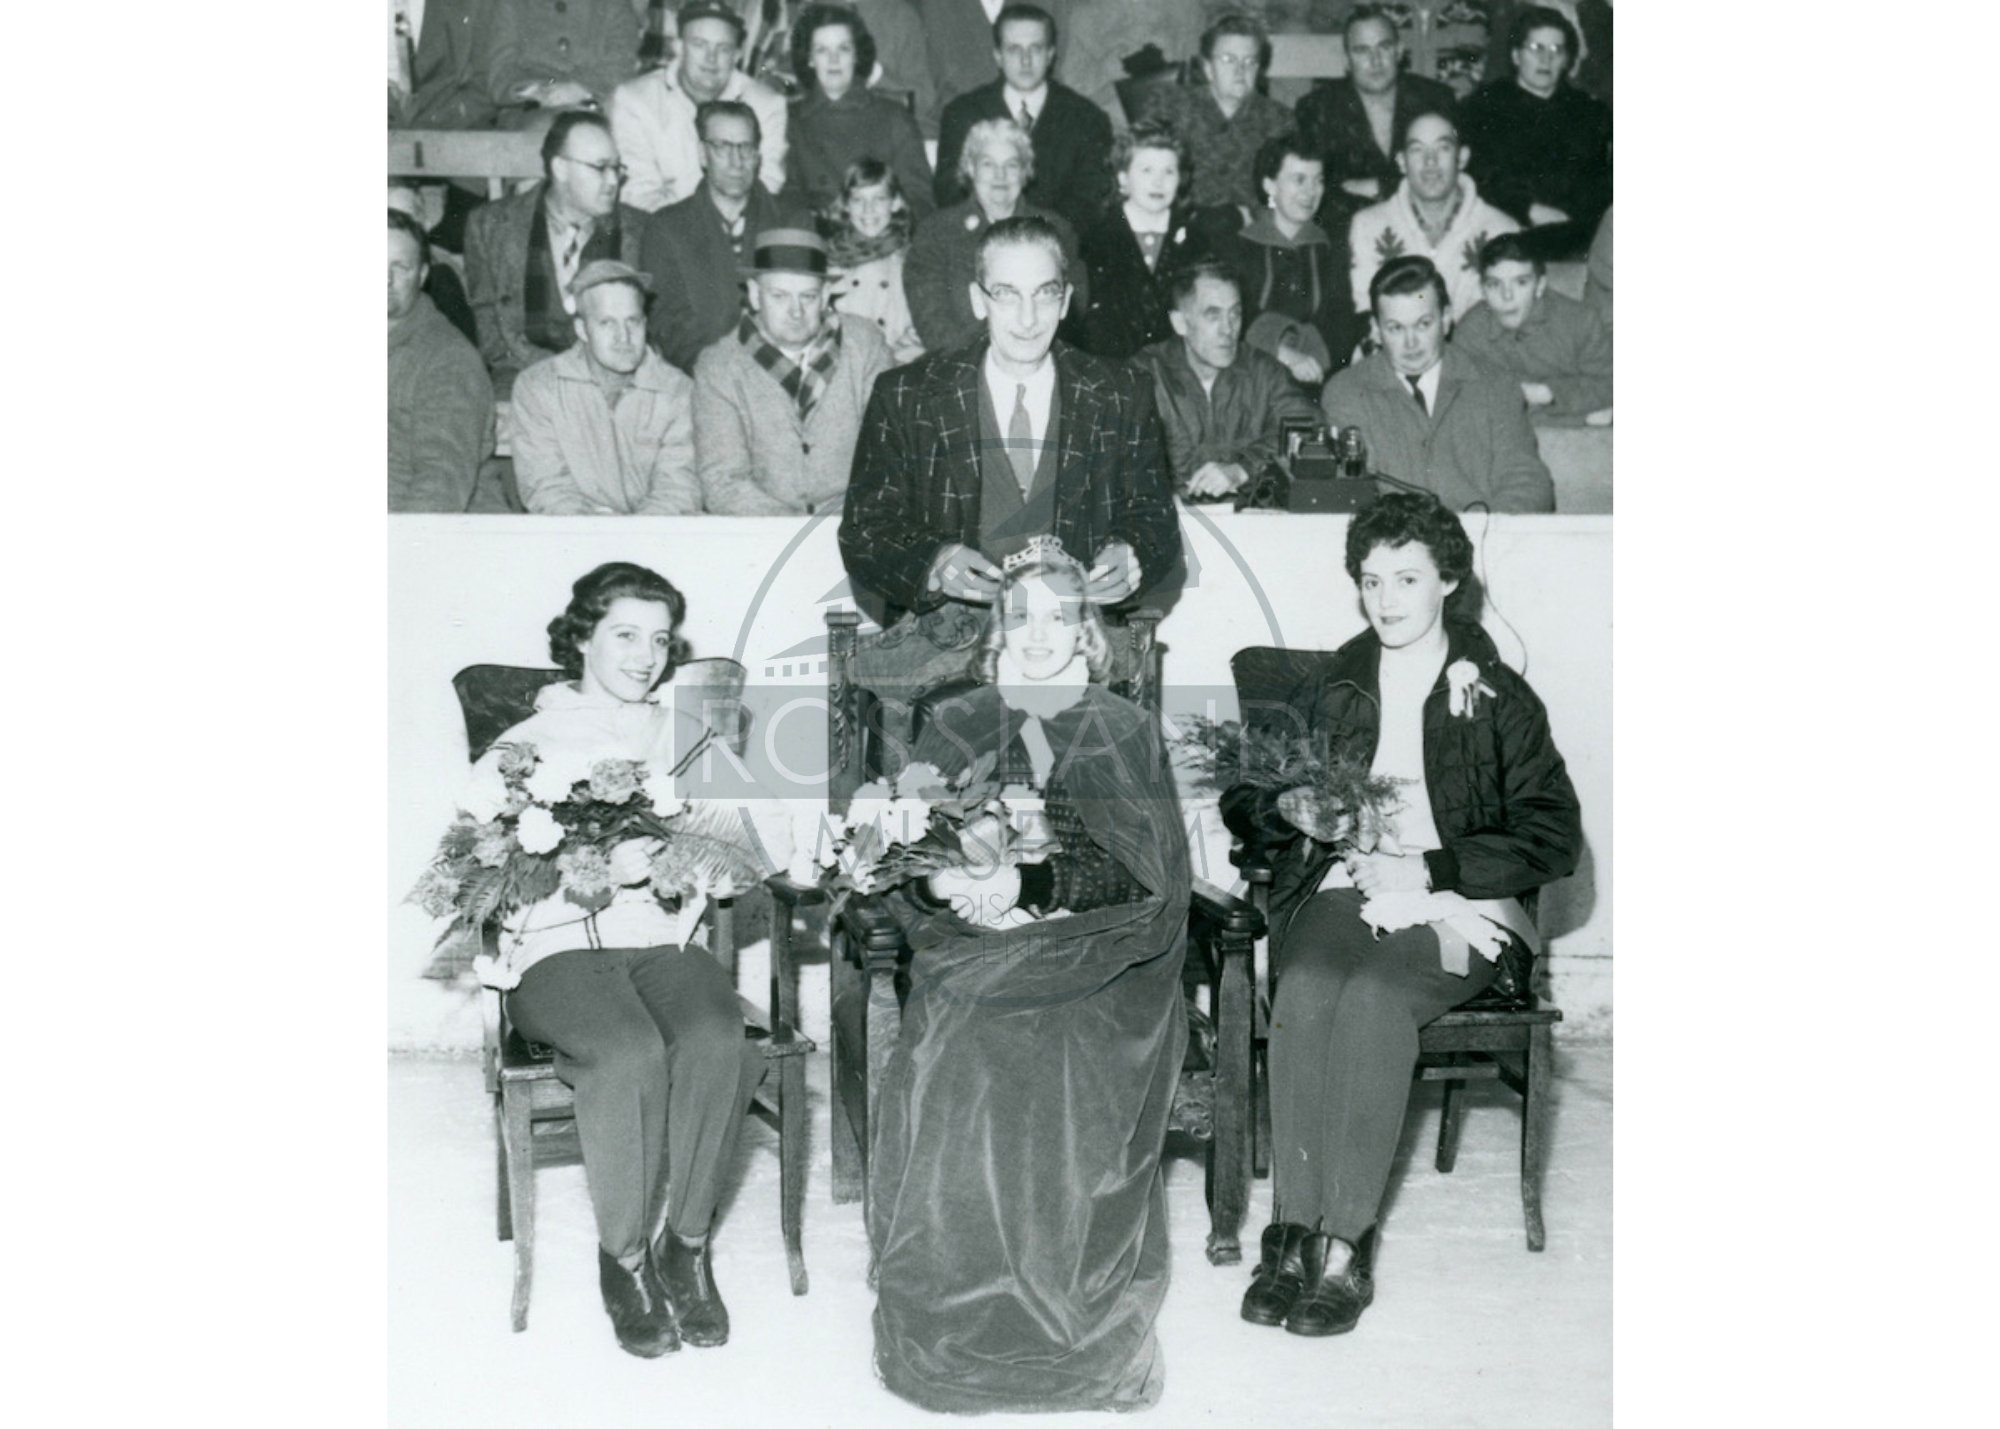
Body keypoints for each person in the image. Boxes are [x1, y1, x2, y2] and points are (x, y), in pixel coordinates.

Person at [1221, 493, 1580, 1338]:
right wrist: (1293, 810)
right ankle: (1291, 1236)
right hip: (1342, 887)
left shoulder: (1497, 695)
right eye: (1372, 579)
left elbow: (1553, 835)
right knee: (1306, 986)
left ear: (1448, 581)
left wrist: (1432, 863)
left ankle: (1345, 1245)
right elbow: (1247, 795)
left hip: (1462, 904)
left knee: (1377, 1002)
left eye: (1407, 578)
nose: (1386, 599)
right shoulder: (1336, 680)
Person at [870, 539, 1188, 1412]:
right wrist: (951, 882)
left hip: (1103, 952)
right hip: (974, 950)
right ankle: (962, 1299)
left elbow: (1148, 877)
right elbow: (910, 850)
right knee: (958, 1043)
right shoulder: (960, 719)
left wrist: (1033, 885)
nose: (1040, 632)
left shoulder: (1120, 726)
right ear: (994, 630)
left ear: (1087, 630)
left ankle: (1059, 1307)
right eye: (1020, 615)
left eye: (1061, 615)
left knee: (1059, 1054)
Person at [460, 561, 784, 1357]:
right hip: (554, 950)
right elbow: (478, 872)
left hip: (662, 942)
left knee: (718, 1038)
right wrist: (599, 867)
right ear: (582, 638)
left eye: (660, 639)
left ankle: (688, 1244)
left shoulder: (684, 735)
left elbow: (746, 854)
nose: (646, 655)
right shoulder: (525, 744)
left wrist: (706, 853)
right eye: (625, 635)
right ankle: (625, 1258)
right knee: (629, 1051)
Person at [843, 215, 1178, 619]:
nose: (1027, 317)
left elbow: (1154, 518)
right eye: (1006, 293)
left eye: (1045, 293)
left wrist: (1132, 551)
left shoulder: (1122, 393)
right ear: (977, 299)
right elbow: (865, 531)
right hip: (942, 652)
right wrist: (933, 561)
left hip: (1080, 646)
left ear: (1067, 300)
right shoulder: (906, 395)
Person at [1321, 256, 1553, 512]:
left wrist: (1488, 533)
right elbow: (1350, 492)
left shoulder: (1496, 384)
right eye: (1395, 328)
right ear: (1375, 330)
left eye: (1423, 324)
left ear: (1446, 318)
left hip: (1483, 539)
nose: (1411, 343)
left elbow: (1526, 481)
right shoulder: (1346, 391)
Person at [691, 228, 894, 513]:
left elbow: (889, 456)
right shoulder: (719, 367)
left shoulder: (865, 345)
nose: (795, 311)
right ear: (753, 293)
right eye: (779, 296)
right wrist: (793, 534)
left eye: (808, 297)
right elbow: (724, 480)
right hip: (764, 534)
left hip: (855, 524)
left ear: (825, 295)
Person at [464, 110, 647, 397]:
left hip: (615, 382)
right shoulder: (491, 226)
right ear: (560, 168)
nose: (613, 181)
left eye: (617, 168)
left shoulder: (640, 229)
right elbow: (490, 333)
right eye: (600, 168)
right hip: (524, 380)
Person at [509, 260, 701, 513]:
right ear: (582, 329)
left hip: (654, 538)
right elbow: (547, 487)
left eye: (632, 321)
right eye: (607, 323)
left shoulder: (678, 391)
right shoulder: (539, 387)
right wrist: (598, 538)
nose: (623, 337)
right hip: (575, 537)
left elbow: (678, 489)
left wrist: (630, 541)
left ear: (645, 323)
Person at [639, 100, 813, 374]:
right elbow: (668, 327)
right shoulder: (666, 228)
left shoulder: (792, 222)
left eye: (745, 147)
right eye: (722, 147)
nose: (736, 162)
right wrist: (723, 378)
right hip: (701, 379)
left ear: (757, 155)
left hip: (783, 376)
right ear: (702, 154)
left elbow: (805, 314)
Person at [1132, 261, 1319, 500]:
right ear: (1180, 323)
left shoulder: (1262, 371)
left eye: (1235, 314)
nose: (1228, 329)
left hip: (1248, 525)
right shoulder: (1146, 373)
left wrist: (1243, 468)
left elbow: (1309, 428)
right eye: (1213, 316)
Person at [902, 118, 1086, 354]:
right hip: (960, 368)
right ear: (971, 168)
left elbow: (1071, 313)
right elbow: (932, 323)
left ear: (1024, 172)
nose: (1000, 176)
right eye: (988, 164)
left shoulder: (1057, 230)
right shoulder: (936, 232)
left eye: (1011, 165)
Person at [934, 5, 1113, 239]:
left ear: (1051, 55)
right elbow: (950, 192)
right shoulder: (963, 113)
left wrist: (1035, 240)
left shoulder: (1086, 118)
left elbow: (1088, 201)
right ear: (997, 56)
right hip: (979, 244)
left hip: (1057, 248)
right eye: (1014, 49)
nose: (1025, 60)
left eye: (1035, 49)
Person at [1458, 5, 1611, 262]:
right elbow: (1479, 176)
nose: (1546, 60)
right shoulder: (1484, 107)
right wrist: (1527, 209)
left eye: (1555, 51)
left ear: (1566, 60)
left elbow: (1601, 184)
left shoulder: (1590, 113)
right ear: (1516, 56)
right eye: (1536, 49)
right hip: (1506, 232)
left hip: (1577, 241)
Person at [1215, 132, 1364, 387]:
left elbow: (1340, 319)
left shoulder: (1331, 249)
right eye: (1299, 180)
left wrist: (1307, 359)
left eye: (1318, 180)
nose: (1311, 191)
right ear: (1270, 186)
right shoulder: (1237, 247)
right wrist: (1282, 351)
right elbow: (1237, 314)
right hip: (1248, 379)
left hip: (1317, 376)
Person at [610, 2, 789, 213]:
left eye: (723, 48)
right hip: (660, 231)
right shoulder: (634, 101)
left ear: (737, 55)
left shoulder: (767, 105)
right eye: (699, 44)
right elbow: (638, 193)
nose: (711, 58)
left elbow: (767, 186)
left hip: (741, 232)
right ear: (678, 47)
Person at [1347, 107, 1519, 321]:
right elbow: (1364, 310)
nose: (1430, 161)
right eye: (1417, 149)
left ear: (1462, 157)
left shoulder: (1501, 230)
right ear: (1402, 161)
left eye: (1443, 148)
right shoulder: (1368, 226)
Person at [1291, 5, 1458, 225]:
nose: (1375, 60)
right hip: (1345, 228)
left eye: (1384, 47)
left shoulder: (1435, 100)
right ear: (1346, 59)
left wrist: (1380, 186)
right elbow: (1316, 190)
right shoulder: (1317, 108)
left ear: (1399, 51)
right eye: (1362, 50)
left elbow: (1452, 175)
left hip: (1426, 224)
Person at [1071, 118, 1217, 360]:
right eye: (1146, 170)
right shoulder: (1095, 240)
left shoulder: (1195, 241)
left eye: (1168, 171)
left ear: (1180, 179)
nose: (1158, 182)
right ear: (1123, 178)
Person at [782, 4, 934, 219]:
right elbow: (788, 200)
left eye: (843, 49)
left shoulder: (894, 117)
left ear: (856, 55)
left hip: (883, 239)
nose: (834, 60)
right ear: (809, 59)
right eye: (822, 50)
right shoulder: (791, 120)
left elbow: (919, 197)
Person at [389, 209, 495, 513]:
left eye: (400, 267)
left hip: (420, 534)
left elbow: (441, 484)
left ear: (422, 276)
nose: (385, 279)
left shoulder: (448, 359)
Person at [1134, 12, 1294, 211]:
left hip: (1250, 231)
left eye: (1249, 62)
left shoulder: (1279, 120)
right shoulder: (1169, 106)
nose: (1240, 70)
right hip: (1182, 225)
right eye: (1229, 59)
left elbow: (1286, 193)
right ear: (1208, 68)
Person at [1451, 231, 1612, 419]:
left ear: (1540, 285)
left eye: (1520, 282)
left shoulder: (1581, 321)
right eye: (1494, 284)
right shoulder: (1470, 330)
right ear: (1482, 289)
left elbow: (1611, 384)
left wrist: (1546, 393)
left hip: (1575, 438)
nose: (1507, 296)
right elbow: (1456, 393)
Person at [823, 159, 925, 363]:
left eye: (879, 199)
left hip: (894, 363)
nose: (868, 210)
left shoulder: (910, 260)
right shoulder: (830, 259)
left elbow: (922, 322)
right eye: (858, 200)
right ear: (845, 205)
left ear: (895, 203)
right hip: (844, 365)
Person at [486, 0, 647, 122]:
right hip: (531, 113)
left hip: (597, 107)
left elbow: (625, 61)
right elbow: (501, 72)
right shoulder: (512, 4)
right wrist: (539, 91)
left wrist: (582, 88)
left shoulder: (612, 4)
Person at [1056, 0, 1206, 125]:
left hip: (1170, 121)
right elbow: (1073, 98)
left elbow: (1200, 82)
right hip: (1107, 125)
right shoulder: (1085, 16)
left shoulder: (1187, 7)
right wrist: (1106, 74)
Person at [921, 0, 1076, 117]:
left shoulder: (1054, 3)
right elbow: (930, 91)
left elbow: (1060, 71)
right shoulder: (936, 6)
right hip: (964, 129)